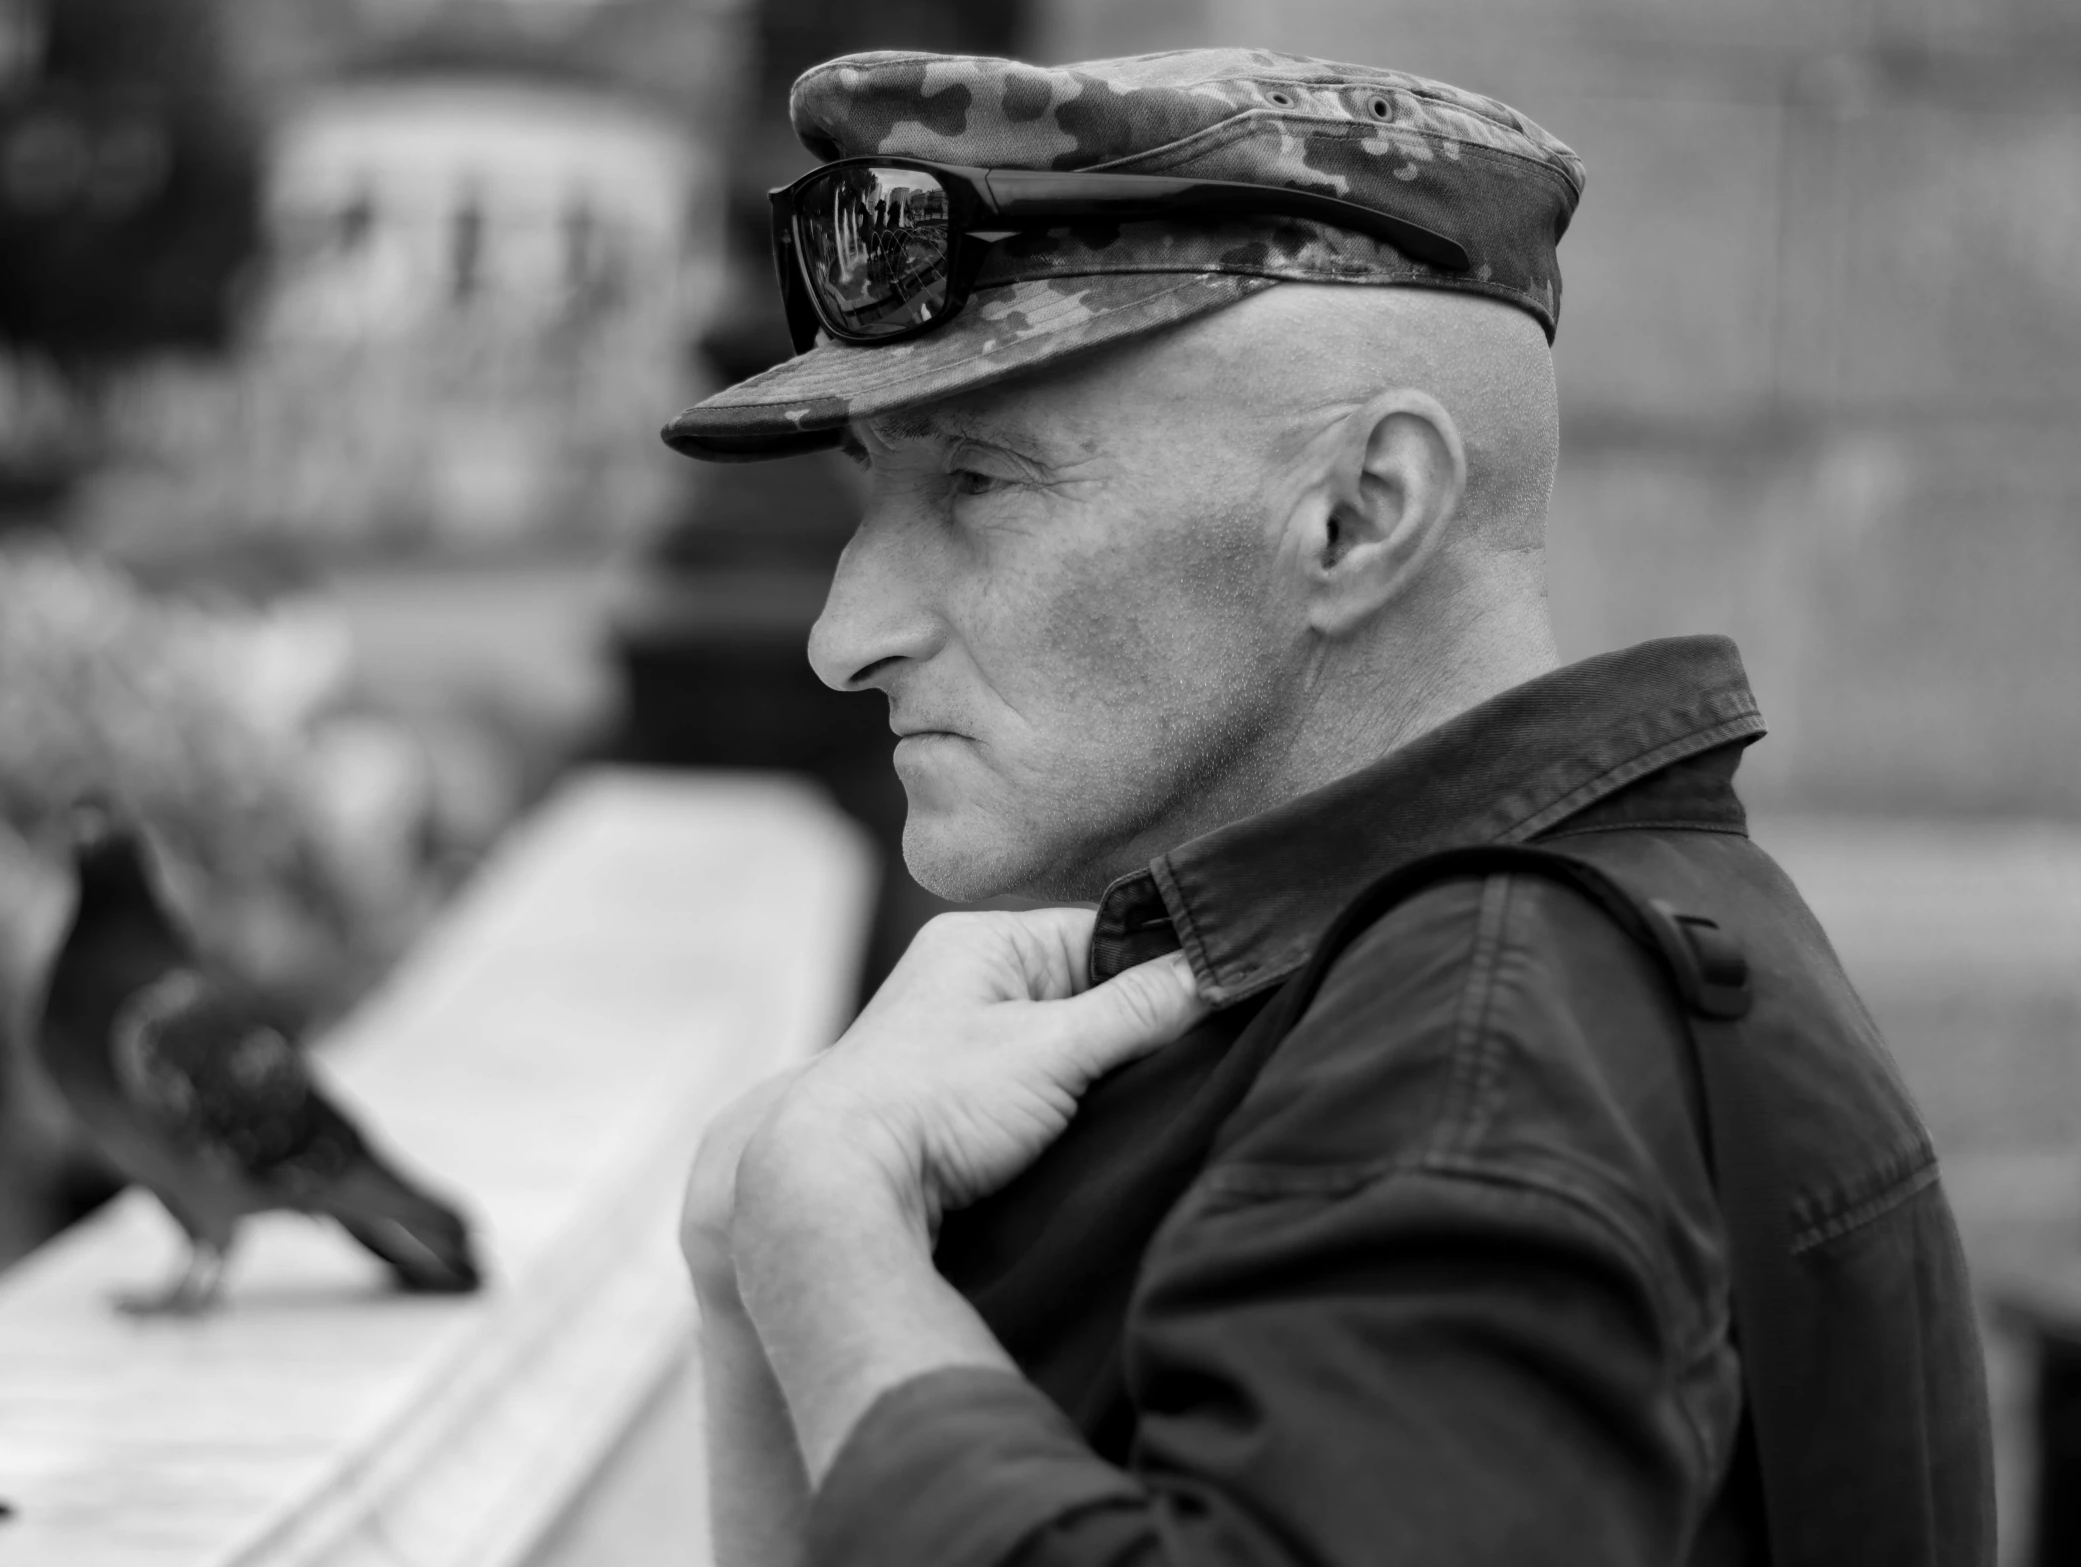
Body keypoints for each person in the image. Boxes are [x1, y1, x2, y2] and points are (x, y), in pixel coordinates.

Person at [664, 47, 1994, 1567]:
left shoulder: (1478, 1043)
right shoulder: (1474, 970)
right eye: (868, 491)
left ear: (1360, 513)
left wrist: (828, 1236)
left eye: (977, 482)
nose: (847, 635)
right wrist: (750, 1275)